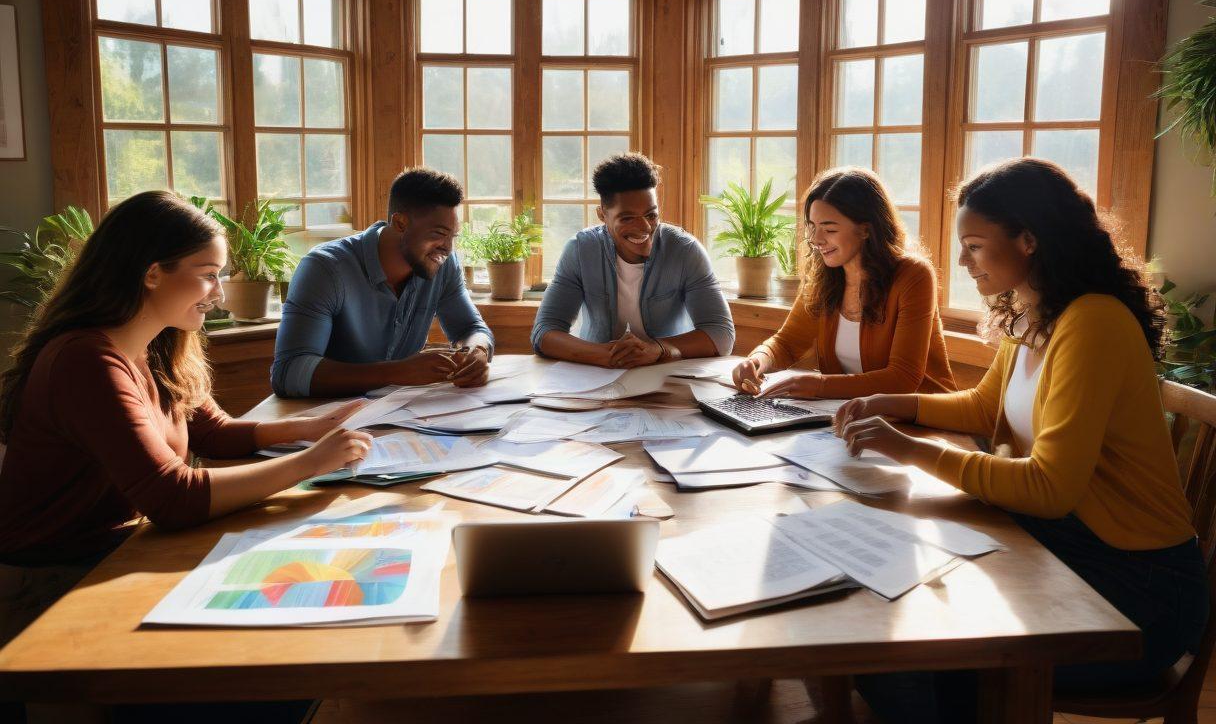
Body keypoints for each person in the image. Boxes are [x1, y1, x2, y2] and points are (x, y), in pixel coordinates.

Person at [834, 158, 1207, 722]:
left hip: (1138, 590)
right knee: (882, 609)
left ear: (1029, 240)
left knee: (901, 655)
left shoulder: (1093, 323)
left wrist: (908, 448)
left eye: (976, 245)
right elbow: (987, 408)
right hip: (1069, 545)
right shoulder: (1033, 314)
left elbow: (1051, 487)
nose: (962, 260)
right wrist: (893, 403)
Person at [0, 191, 372, 651]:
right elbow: (172, 497)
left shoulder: (158, 344)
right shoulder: (84, 361)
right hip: (54, 579)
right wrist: (307, 464)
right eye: (209, 277)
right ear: (153, 274)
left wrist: (305, 428)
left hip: (121, 548)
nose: (219, 294)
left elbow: (212, 433)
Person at [731, 167, 955, 398]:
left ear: (866, 229)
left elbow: (902, 378)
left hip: (923, 421)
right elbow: (787, 343)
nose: (816, 240)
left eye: (829, 229)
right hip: (852, 416)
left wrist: (819, 386)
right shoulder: (824, 275)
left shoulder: (914, 275)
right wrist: (757, 360)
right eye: (812, 227)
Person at [272, 167, 494, 397]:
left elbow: (472, 329)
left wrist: (477, 351)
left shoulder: (443, 265)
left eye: (453, 237)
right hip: (324, 419)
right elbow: (289, 372)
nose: (448, 248)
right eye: (438, 234)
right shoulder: (325, 269)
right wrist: (396, 372)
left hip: (400, 418)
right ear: (400, 224)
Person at [531, 152, 735, 367]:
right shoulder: (580, 251)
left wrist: (658, 349)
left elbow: (721, 334)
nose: (645, 228)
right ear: (602, 214)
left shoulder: (685, 251)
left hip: (667, 373)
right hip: (596, 376)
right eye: (627, 218)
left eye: (651, 215)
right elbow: (544, 332)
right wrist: (605, 355)